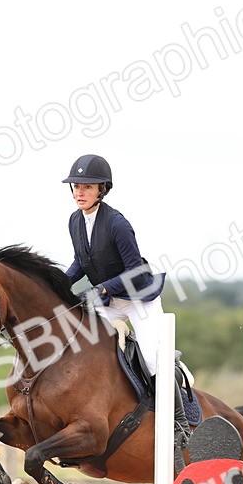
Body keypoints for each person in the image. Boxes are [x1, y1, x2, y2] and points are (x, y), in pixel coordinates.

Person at [61, 154, 166, 377]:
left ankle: (179, 411)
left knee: (151, 359)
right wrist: (58, 283)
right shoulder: (75, 220)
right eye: (76, 186)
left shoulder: (117, 224)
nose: (79, 192)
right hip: (108, 303)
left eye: (87, 187)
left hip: (139, 300)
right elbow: (81, 261)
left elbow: (136, 273)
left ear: (102, 190)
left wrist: (102, 288)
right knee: (85, 350)